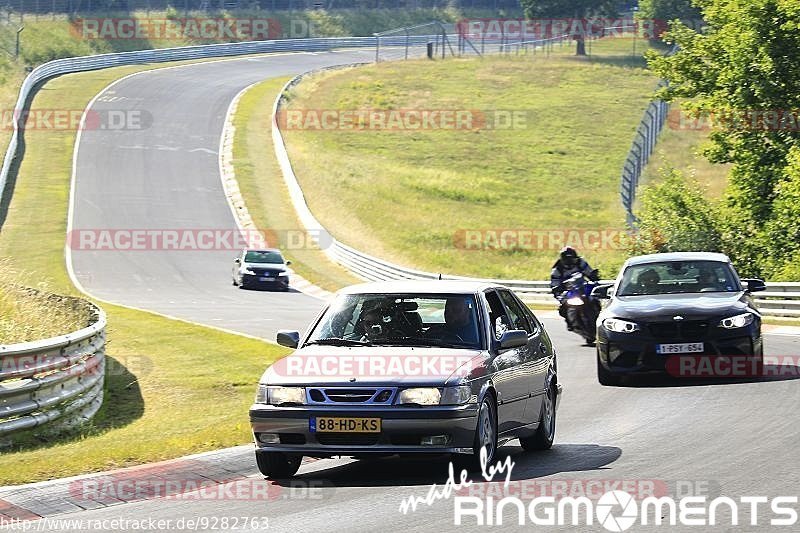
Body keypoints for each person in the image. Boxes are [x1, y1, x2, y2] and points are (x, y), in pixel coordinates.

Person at [550, 246, 599, 329]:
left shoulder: (580, 262)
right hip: (568, 291)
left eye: (572, 259)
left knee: (595, 299)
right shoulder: (557, 269)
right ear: (563, 260)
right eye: (567, 260)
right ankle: (569, 322)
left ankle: (597, 314)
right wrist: (558, 291)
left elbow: (589, 272)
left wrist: (593, 276)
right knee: (563, 307)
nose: (570, 262)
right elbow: (555, 285)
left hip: (582, 287)